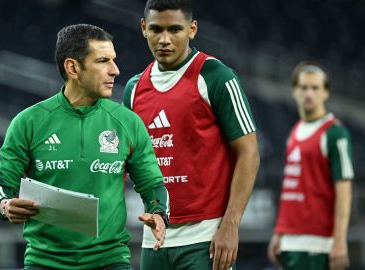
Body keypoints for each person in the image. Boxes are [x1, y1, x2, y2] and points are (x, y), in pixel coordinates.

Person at [0, 24, 170, 270]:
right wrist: (5, 205)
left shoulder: (128, 122)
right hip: (44, 263)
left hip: (110, 261)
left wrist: (159, 214)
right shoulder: (28, 123)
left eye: (113, 60)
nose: (115, 70)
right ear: (73, 68)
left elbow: (153, 185)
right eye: (103, 61)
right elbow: (0, 186)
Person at [122, 1, 260, 269]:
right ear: (143, 28)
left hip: (206, 238)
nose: (164, 39)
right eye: (156, 29)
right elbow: (127, 164)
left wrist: (231, 226)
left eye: (175, 29)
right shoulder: (133, 89)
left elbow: (249, 153)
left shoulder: (216, 76)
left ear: (192, 29)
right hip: (154, 238)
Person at [267, 62, 354, 270]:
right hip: (290, 242)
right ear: (294, 91)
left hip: (317, 243)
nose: (308, 93)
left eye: (315, 88)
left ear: (326, 92)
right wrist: (279, 232)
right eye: (303, 87)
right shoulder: (294, 132)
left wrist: (339, 240)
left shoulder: (335, 134)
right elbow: (291, 188)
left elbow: (344, 191)